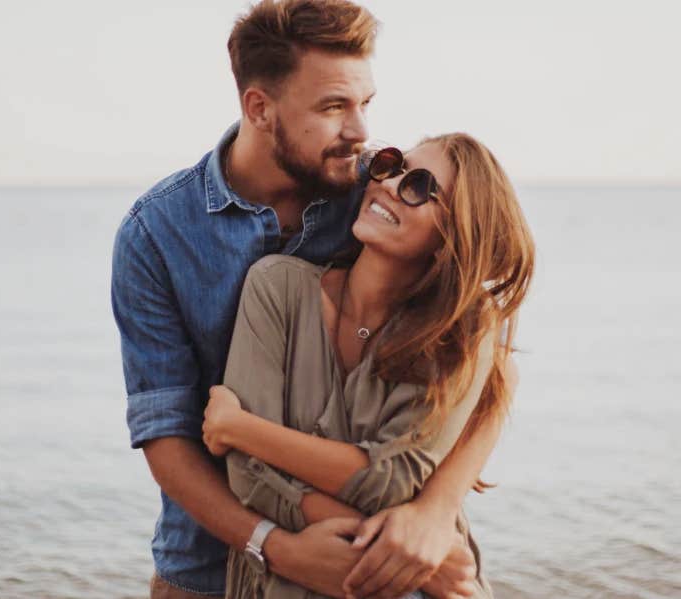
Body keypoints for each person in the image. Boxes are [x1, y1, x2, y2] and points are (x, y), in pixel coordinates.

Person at [111, 1, 511, 597]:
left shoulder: (376, 191)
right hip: (206, 569)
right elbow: (167, 437)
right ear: (259, 107)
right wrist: (275, 546)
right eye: (332, 107)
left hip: (386, 567)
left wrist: (432, 515)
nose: (360, 132)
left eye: (364, 104)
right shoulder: (157, 233)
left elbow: (486, 363)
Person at [201, 136, 534, 598]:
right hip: (326, 579)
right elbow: (247, 475)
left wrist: (239, 428)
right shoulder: (277, 289)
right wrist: (407, 550)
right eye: (391, 166)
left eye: (419, 186)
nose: (390, 185)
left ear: (452, 236)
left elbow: (391, 480)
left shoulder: (457, 337)